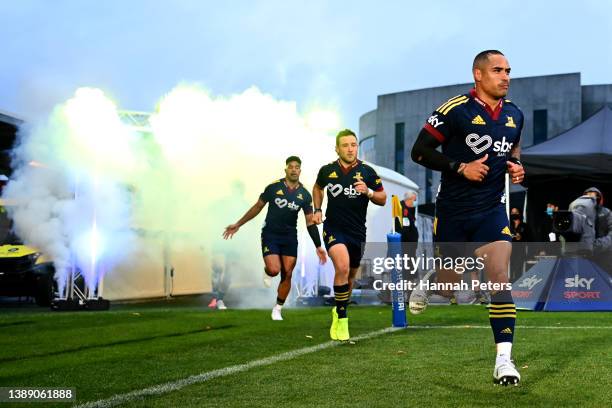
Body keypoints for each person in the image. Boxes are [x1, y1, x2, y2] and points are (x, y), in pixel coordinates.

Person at [410, 50, 525, 386]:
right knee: (449, 287)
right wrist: (460, 166)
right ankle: (432, 284)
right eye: (497, 70)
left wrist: (517, 168)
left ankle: (504, 360)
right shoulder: (454, 110)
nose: (505, 76)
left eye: (508, 71)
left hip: (491, 211)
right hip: (454, 213)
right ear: (478, 74)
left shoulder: (515, 114)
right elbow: (419, 152)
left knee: (499, 274)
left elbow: (513, 152)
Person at [223, 156, 327, 320]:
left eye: (297, 167)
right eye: (290, 167)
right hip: (270, 234)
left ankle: (277, 308)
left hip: (290, 237)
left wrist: (318, 245)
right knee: (274, 269)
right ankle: (267, 272)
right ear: (286, 169)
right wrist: (238, 224)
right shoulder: (273, 187)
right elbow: (257, 207)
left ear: (300, 170)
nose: (293, 169)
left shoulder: (304, 195)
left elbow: (309, 222)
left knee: (287, 273)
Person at [312, 129, 387, 341]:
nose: (350, 148)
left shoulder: (368, 172)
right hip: (333, 229)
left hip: (357, 231)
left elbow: (382, 198)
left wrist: (369, 192)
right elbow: (317, 188)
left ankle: (339, 307)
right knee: (342, 267)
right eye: (345, 145)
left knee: (351, 275)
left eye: (353, 144)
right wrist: (317, 209)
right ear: (337, 148)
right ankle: (342, 320)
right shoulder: (327, 170)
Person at [584, 187, 612, 274]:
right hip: (585, 254)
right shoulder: (579, 213)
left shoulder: (607, 212)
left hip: (604, 254)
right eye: (588, 197)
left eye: (594, 197)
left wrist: (599, 244)